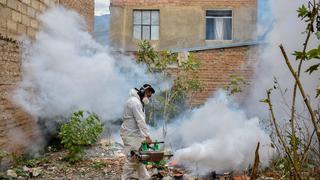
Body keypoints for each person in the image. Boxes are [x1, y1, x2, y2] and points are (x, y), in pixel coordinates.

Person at [120, 84, 155, 180]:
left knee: (139, 158)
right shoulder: (135, 102)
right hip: (131, 135)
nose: (149, 97)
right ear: (144, 91)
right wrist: (147, 137)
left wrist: (143, 136)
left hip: (134, 134)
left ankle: (145, 177)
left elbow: (140, 121)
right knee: (132, 159)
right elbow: (140, 121)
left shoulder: (137, 101)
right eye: (148, 95)